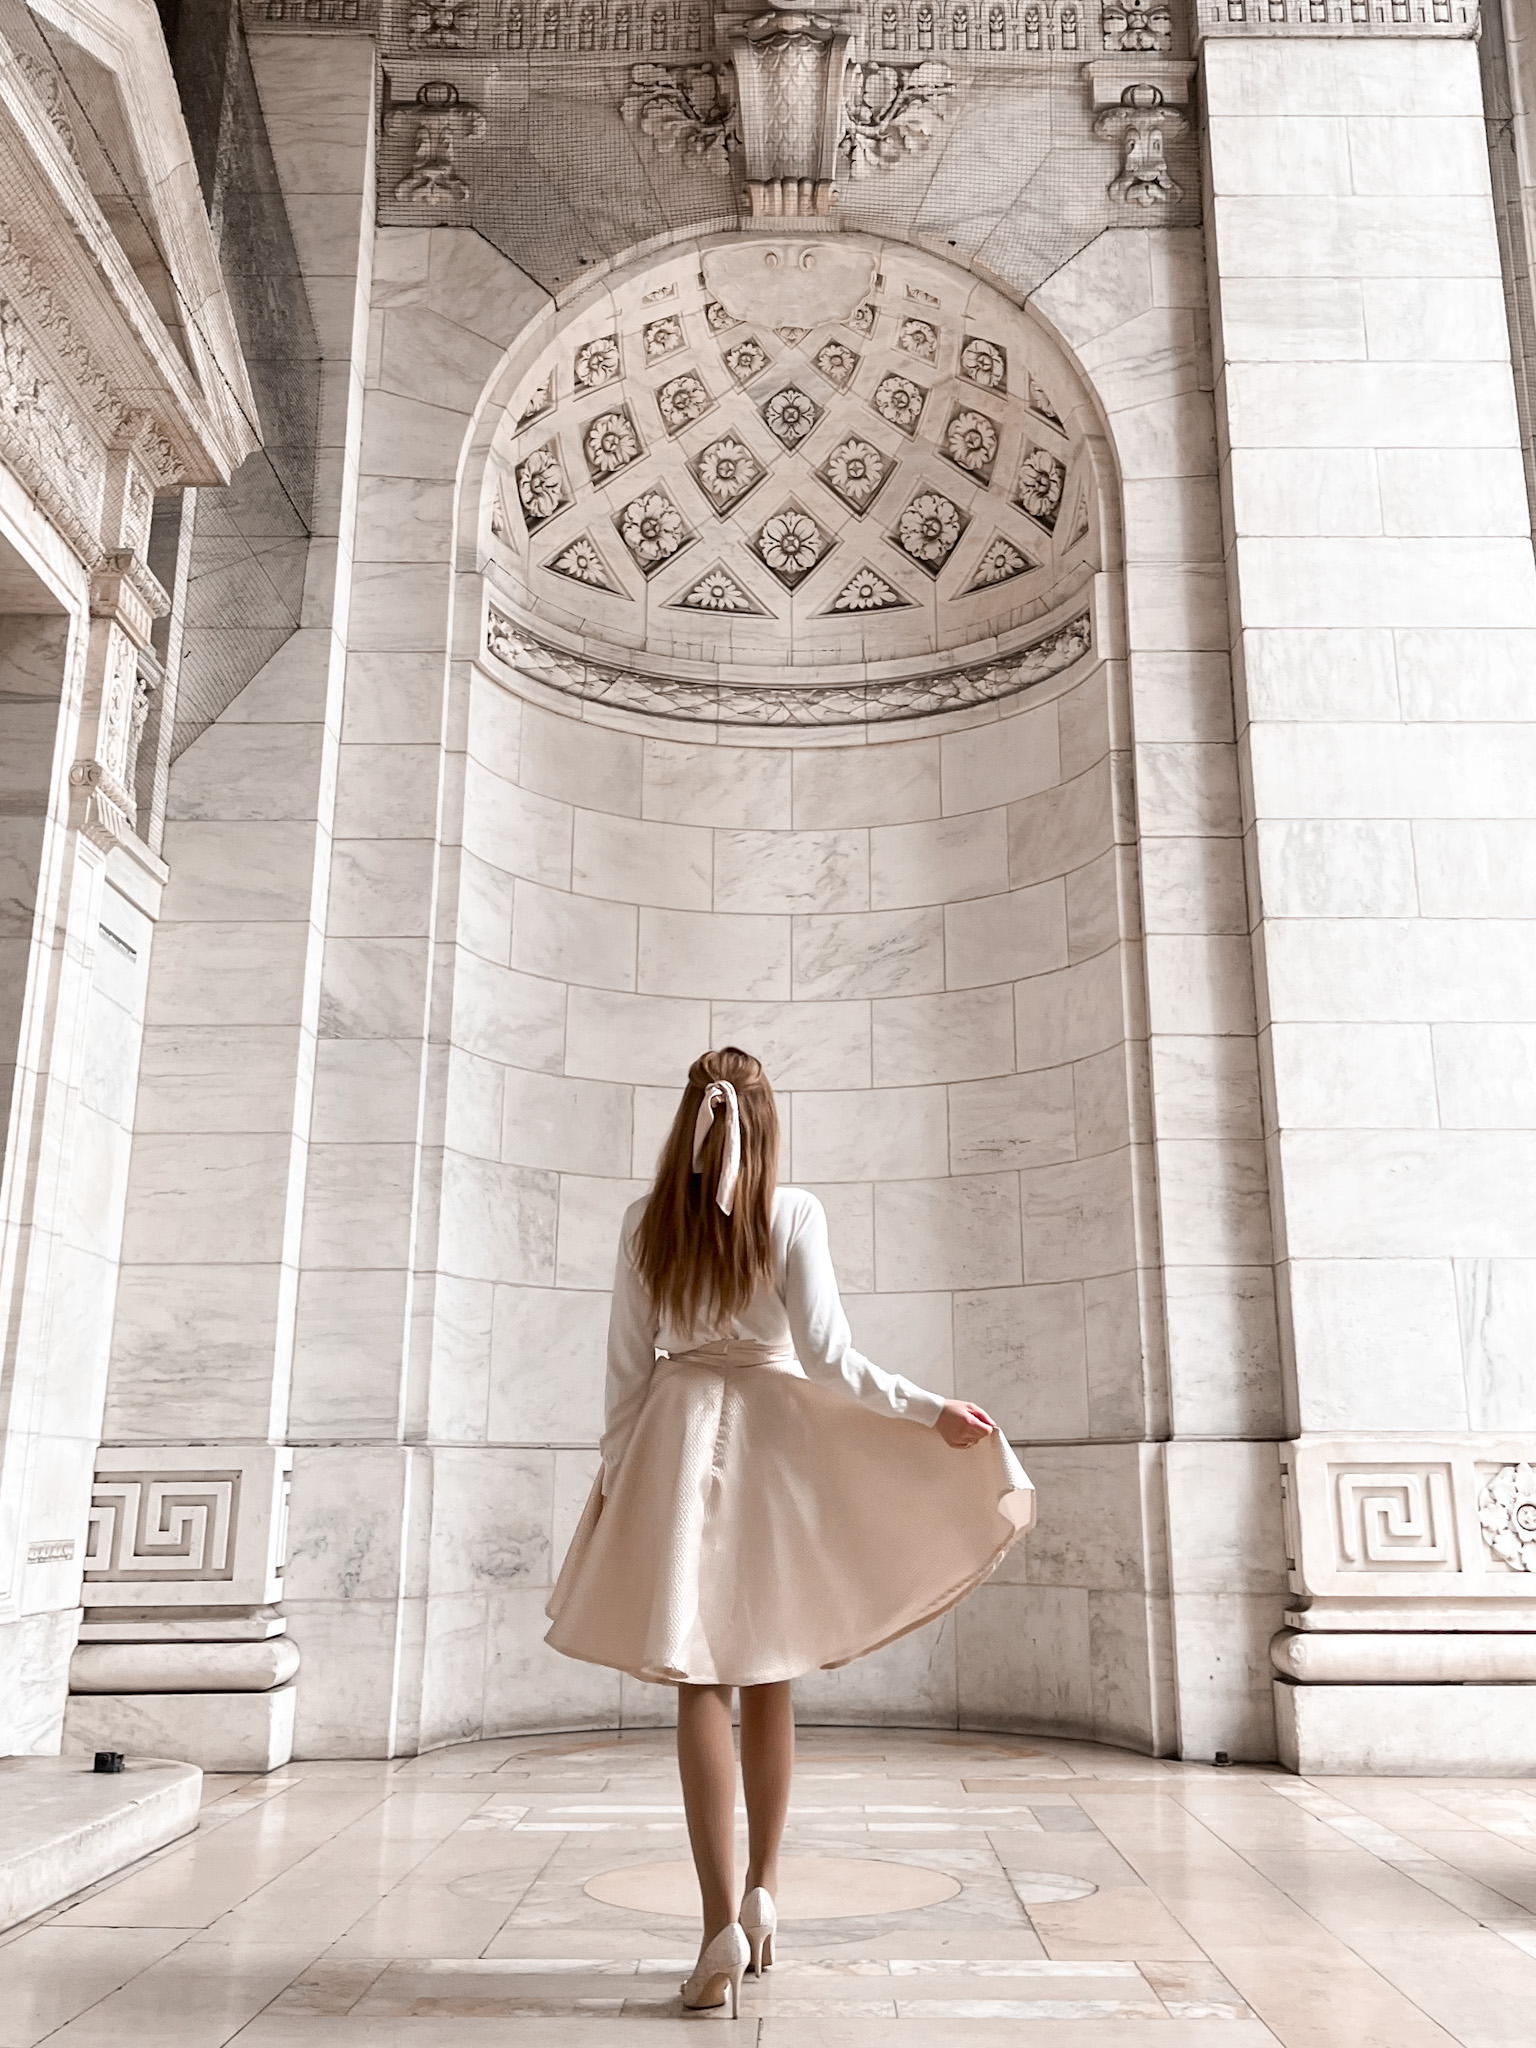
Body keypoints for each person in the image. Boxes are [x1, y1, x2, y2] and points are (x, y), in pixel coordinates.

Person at [546, 1047, 1033, 2018]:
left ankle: (717, 1920)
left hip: (678, 1443)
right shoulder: (794, 1210)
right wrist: (930, 1406)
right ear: (768, 1121)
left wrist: (615, 1477)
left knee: (697, 1676)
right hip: (772, 1440)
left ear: (689, 1119)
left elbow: (624, 1376)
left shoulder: (649, 1222)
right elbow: (831, 1357)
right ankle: (767, 1887)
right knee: (771, 1666)